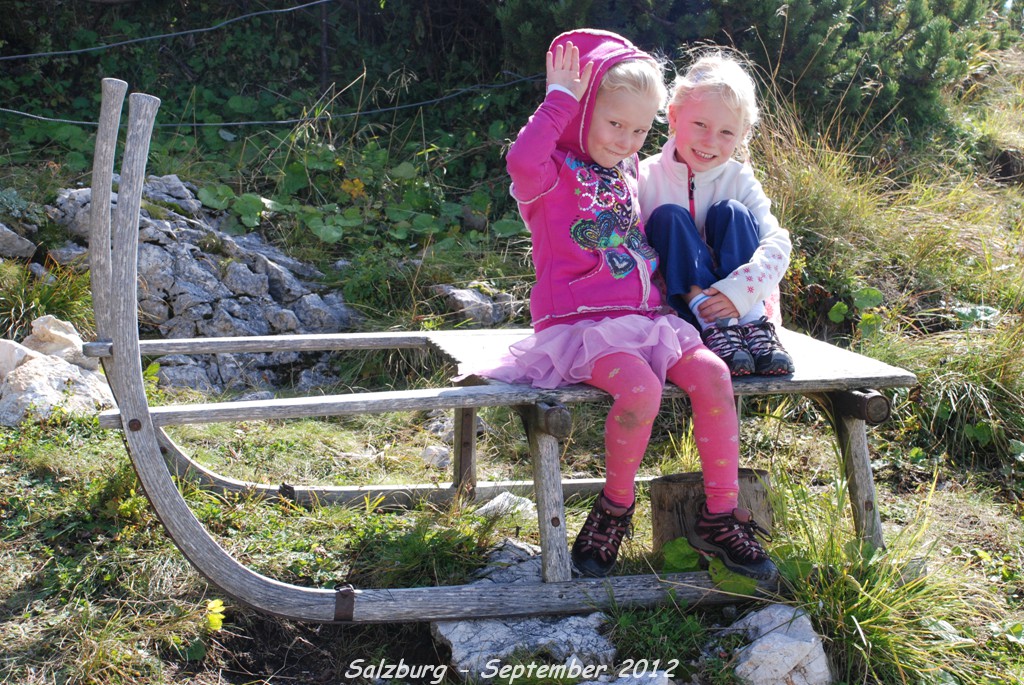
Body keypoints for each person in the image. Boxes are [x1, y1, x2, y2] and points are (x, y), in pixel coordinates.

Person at [489, 29, 776, 581]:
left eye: (640, 130)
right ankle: (614, 509)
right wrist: (559, 100)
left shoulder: (625, 170)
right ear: (583, 113)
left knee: (714, 375)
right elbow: (521, 159)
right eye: (615, 124)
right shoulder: (549, 174)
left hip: (649, 320)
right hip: (584, 326)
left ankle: (720, 515)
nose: (626, 140)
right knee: (640, 390)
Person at [639, 50, 794, 377]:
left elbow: (777, 244)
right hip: (678, 310)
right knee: (668, 217)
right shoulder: (645, 178)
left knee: (733, 212)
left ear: (743, 134)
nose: (710, 141)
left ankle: (753, 326)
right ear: (674, 116)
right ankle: (712, 320)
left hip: (744, 309)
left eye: (726, 132)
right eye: (700, 124)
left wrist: (738, 293)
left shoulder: (739, 179)